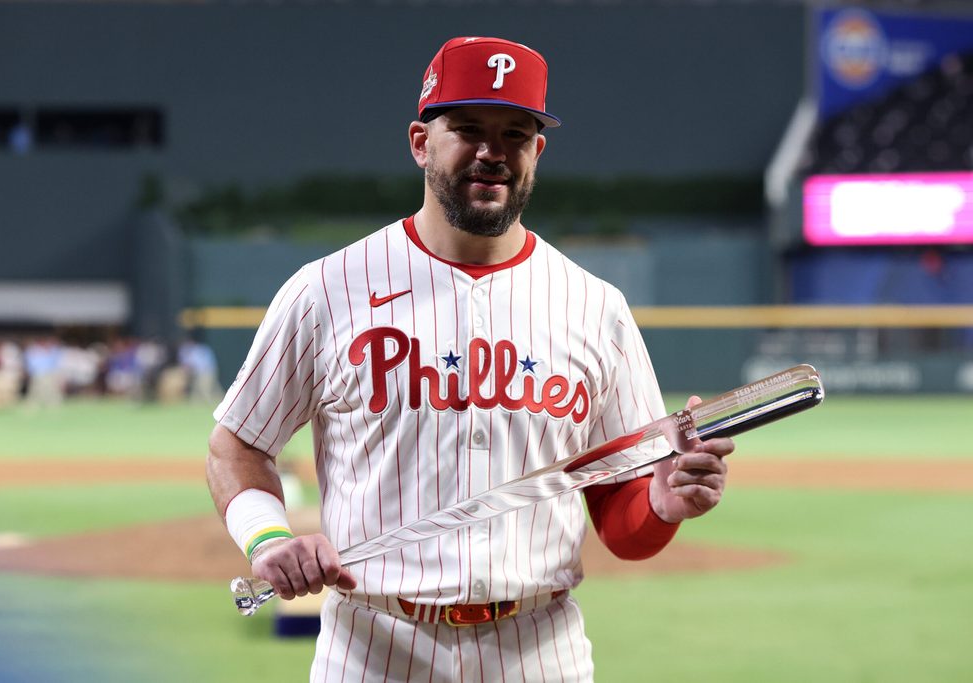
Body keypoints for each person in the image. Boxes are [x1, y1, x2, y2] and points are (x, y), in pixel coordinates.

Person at [207, 36, 733, 681]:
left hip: (539, 650)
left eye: (515, 132)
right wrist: (269, 539)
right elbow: (236, 447)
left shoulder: (597, 308)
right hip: (371, 647)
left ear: (537, 152)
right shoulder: (327, 289)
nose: (493, 152)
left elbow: (624, 522)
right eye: (468, 128)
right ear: (420, 142)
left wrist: (663, 502)